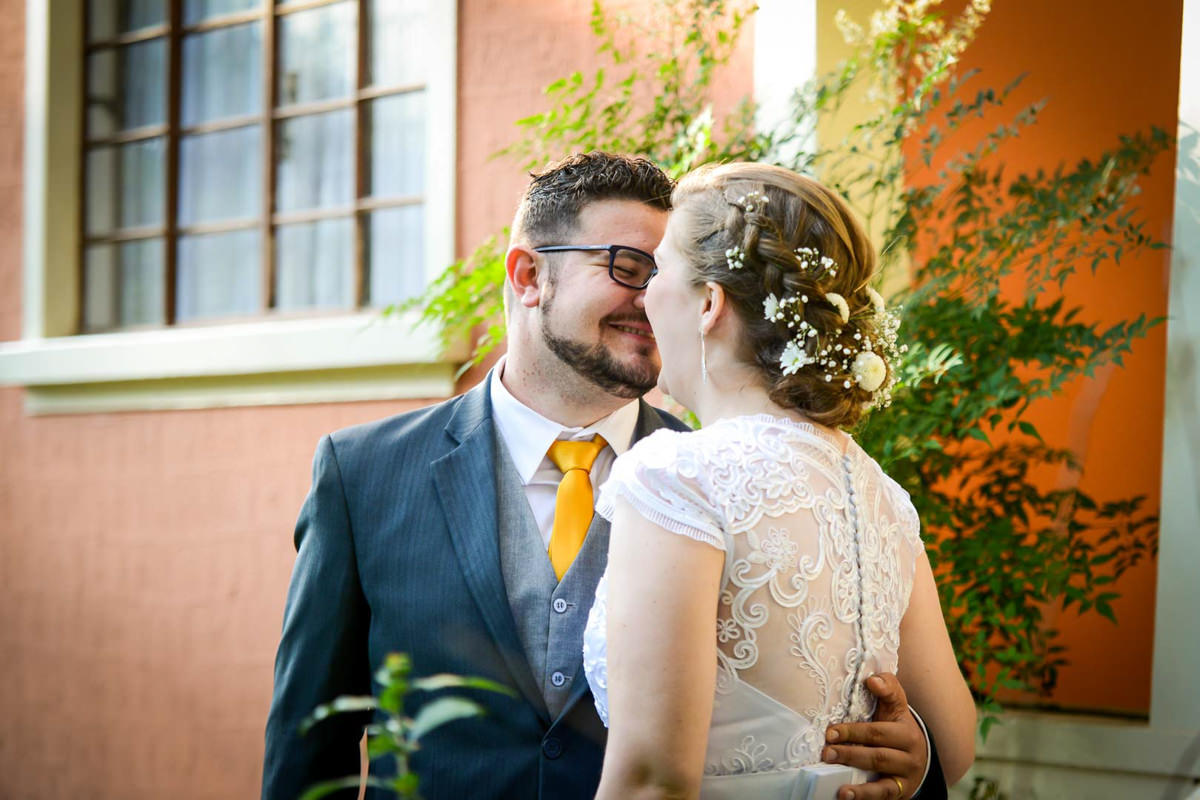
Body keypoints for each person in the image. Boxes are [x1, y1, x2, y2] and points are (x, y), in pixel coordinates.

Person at [262, 153, 952, 800]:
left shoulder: (719, 480)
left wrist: (912, 754)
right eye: (628, 266)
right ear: (529, 276)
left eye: (664, 272)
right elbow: (309, 741)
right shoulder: (364, 473)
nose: (652, 298)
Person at [584, 162, 976, 800]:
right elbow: (953, 747)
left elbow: (650, 782)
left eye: (658, 271)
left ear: (709, 305)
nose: (645, 296)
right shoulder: (882, 495)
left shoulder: (678, 475)